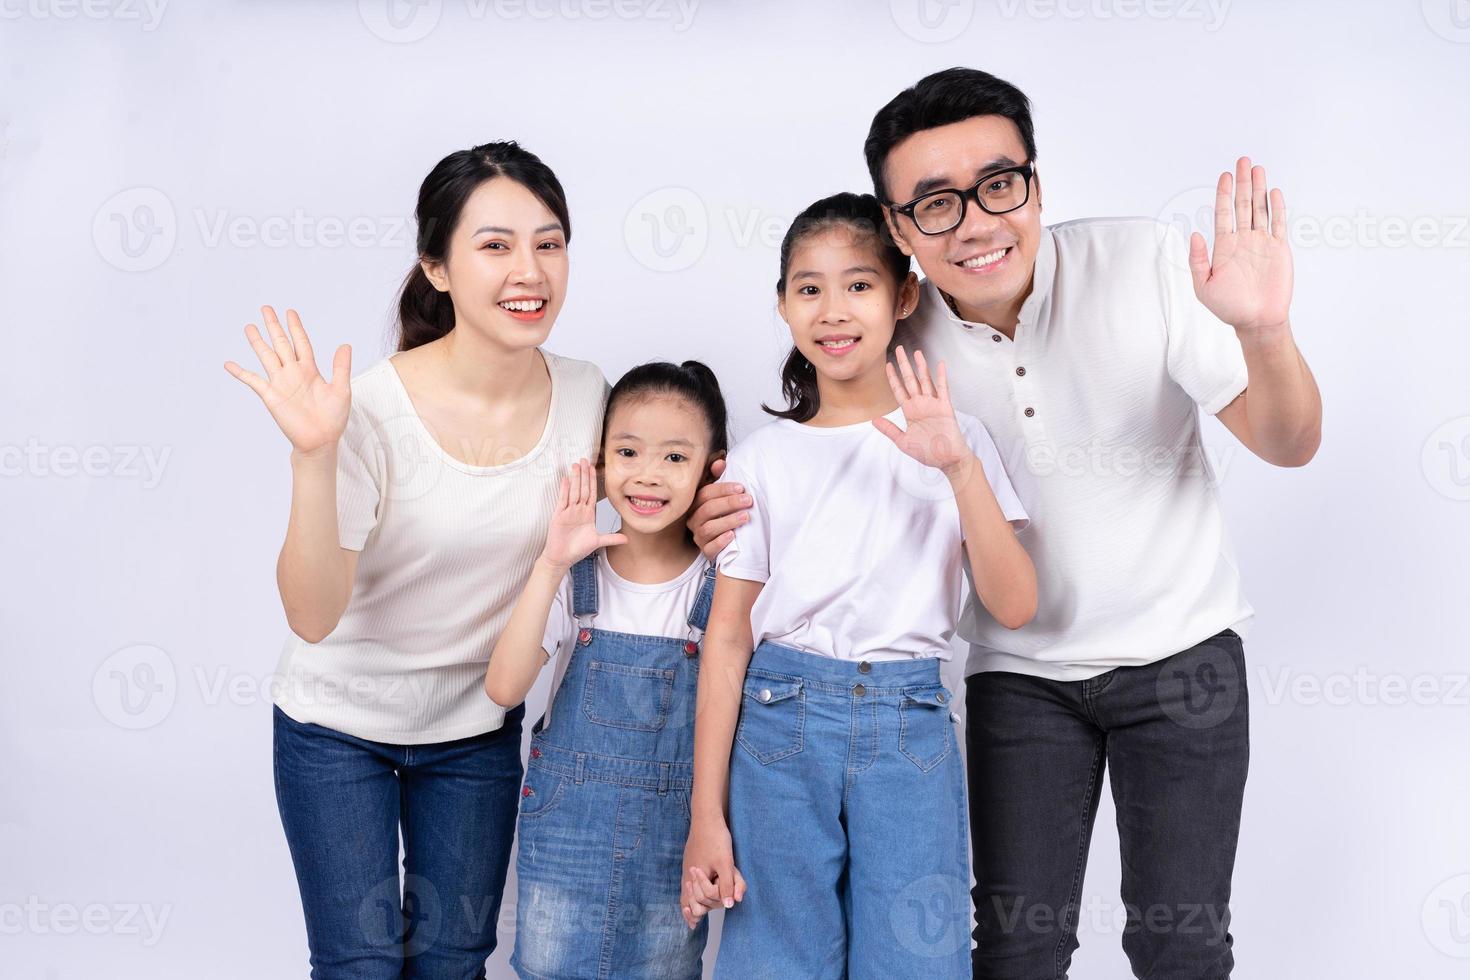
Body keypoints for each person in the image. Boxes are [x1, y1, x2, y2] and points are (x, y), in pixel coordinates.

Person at [863, 67, 1324, 977]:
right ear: (896, 227)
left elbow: (1289, 443)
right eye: (936, 205)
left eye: (1000, 185)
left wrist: (1266, 334)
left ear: (1035, 181)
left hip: (1182, 658)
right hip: (1020, 677)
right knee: (1017, 952)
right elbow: (824, 471)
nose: (979, 224)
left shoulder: (1145, 263)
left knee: (1180, 947)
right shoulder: (893, 342)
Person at [224, 141, 609, 978]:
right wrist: (314, 457)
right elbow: (314, 616)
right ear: (436, 267)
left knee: (452, 960)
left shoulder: (588, 396)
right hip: (337, 731)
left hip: (475, 731)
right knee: (360, 965)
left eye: (549, 243)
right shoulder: (366, 407)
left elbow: (654, 511)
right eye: (495, 245)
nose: (531, 271)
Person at [680, 192, 1035, 980]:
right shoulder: (763, 460)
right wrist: (707, 815)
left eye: (860, 285)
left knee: (918, 958)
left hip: (907, 724)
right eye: (809, 288)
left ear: (905, 295)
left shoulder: (957, 440)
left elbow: (1012, 604)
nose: (833, 311)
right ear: (783, 305)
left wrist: (957, 469)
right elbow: (728, 638)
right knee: (776, 958)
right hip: (780, 725)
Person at [483, 360, 730, 980]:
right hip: (567, 839)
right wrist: (550, 561)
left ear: (712, 466)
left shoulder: (723, 587)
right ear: (599, 460)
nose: (647, 475)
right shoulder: (577, 580)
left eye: (676, 458)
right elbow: (504, 688)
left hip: (674, 845)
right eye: (628, 451)